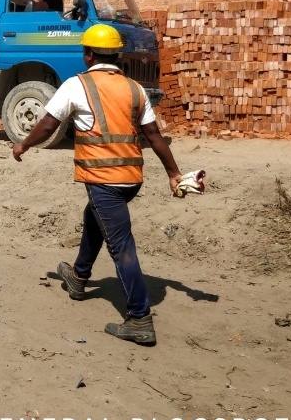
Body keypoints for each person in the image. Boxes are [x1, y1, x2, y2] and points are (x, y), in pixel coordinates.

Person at [11, 24, 183, 346]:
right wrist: (173, 173)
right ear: (117, 55)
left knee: (121, 245)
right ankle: (78, 277)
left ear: (88, 54)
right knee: (95, 218)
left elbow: (49, 123)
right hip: (131, 178)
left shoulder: (77, 85)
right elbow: (155, 136)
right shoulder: (135, 89)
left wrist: (23, 144)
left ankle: (139, 318)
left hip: (104, 179)